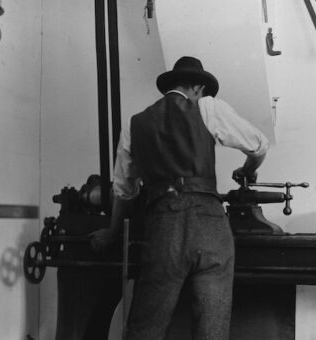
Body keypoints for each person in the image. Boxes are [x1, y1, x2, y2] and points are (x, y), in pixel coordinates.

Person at [90, 56, 269, 339]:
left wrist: (113, 232)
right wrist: (247, 170)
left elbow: (123, 190)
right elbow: (259, 145)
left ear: (170, 88)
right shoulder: (208, 107)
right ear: (197, 88)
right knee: (212, 331)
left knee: (145, 329)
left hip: (165, 226)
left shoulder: (135, 123)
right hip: (212, 225)